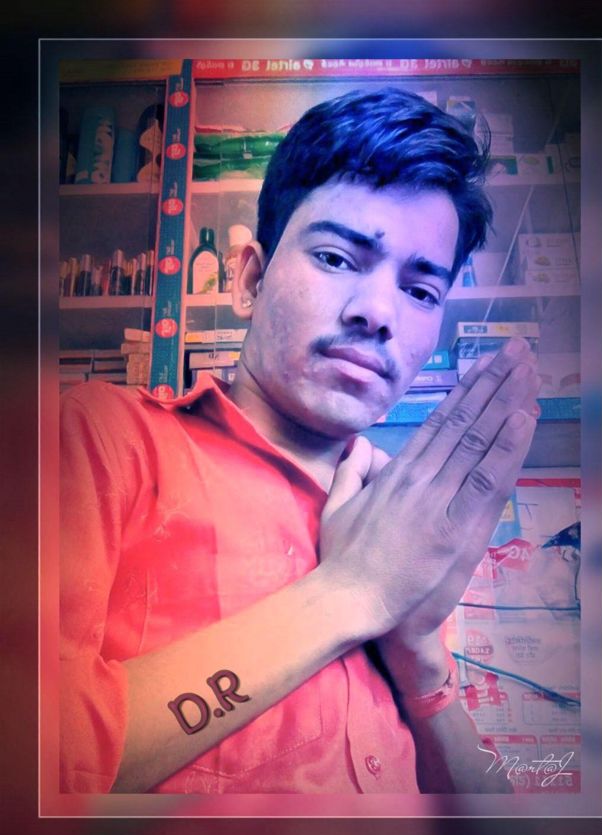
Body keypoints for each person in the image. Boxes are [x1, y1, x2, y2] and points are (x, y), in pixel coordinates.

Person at [59, 88, 539, 795]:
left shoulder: (398, 523)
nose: (378, 312)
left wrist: (421, 665)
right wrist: (349, 593)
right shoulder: (102, 438)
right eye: (339, 258)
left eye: (420, 291)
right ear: (249, 279)